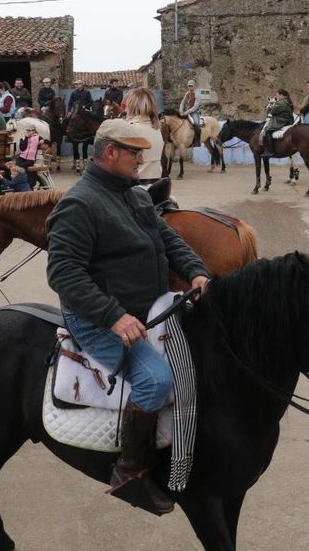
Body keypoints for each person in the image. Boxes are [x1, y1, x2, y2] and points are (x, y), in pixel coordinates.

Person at [46, 118, 212, 514]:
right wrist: (114, 317)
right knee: (155, 381)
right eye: (135, 153)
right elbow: (63, 273)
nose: (142, 159)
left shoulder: (135, 196)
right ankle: (129, 471)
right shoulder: (79, 204)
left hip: (149, 308)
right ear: (110, 153)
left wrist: (197, 271)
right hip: (100, 319)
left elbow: (168, 238)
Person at [123, 85, 167, 182]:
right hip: (155, 182)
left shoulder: (130, 129)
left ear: (132, 106)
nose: (125, 109)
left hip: (134, 185)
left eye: (127, 105)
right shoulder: (156, 129)